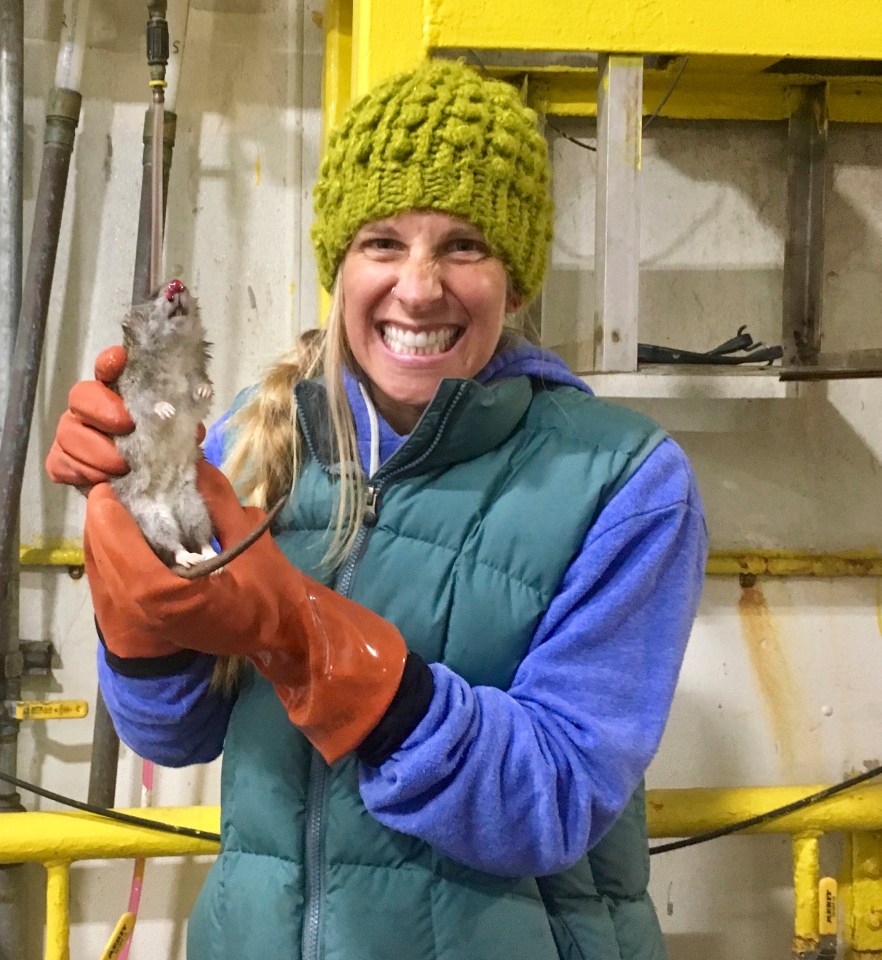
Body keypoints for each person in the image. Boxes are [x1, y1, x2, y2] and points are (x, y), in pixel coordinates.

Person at [46, 59, 708, 960]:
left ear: (515, 280)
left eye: (464, 245)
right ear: (340, 263)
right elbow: (173, 733)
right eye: (383, 242)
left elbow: (551, 802)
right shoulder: (248, 438)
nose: (420, 286)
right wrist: (133, 586)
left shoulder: (626, 482)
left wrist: (301, 631)